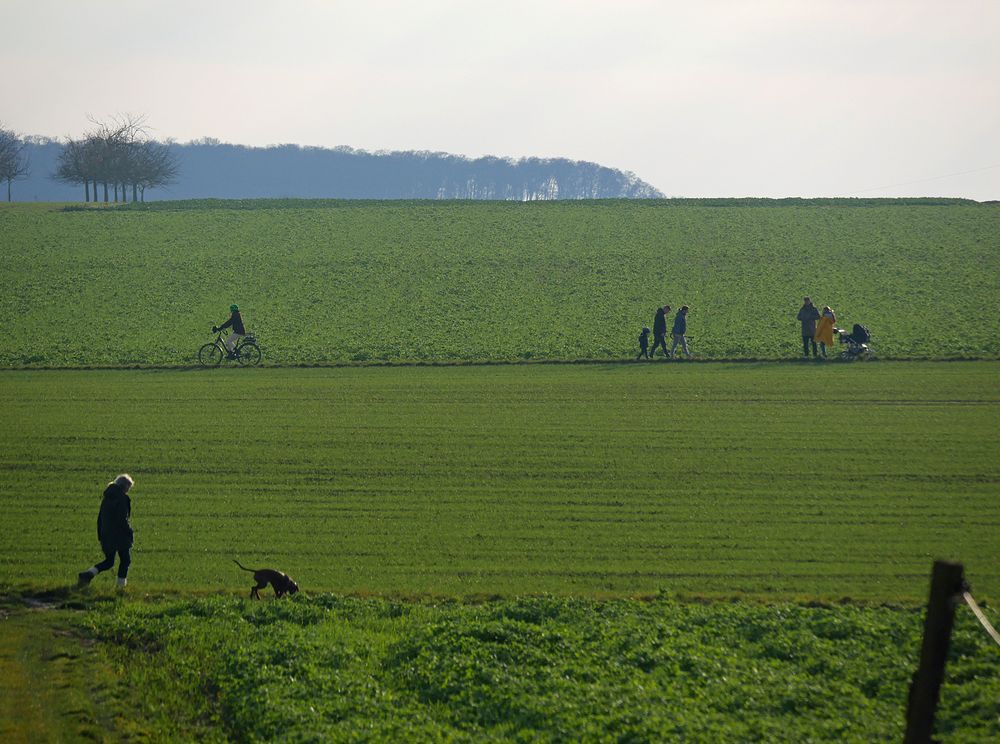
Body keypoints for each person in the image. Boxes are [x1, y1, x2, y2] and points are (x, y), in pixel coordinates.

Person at [77, 474, 135, 590]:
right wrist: (129, 531)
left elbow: (100, 519)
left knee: (109, 562)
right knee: (125, 560)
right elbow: (122, 519)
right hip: (120, 536)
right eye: (129, 488)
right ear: (125, 487)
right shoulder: (122, 498)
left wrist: (100, 535)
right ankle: (120, 588)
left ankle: (87, 575)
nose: (128, 490)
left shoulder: (107, 497)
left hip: (106, 535)